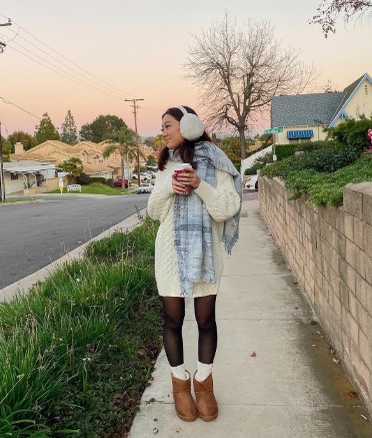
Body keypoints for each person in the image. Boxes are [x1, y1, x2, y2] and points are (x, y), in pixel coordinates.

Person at [146, 105, 242, 422]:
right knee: (173, 320)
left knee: (205, 320)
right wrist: (169, 189)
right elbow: (153, 212)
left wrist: (200, 185)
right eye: (162, 126)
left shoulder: (216, 162)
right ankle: (180, 385)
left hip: (206, 255)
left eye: (168, 125)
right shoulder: (166, 165)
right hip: (170, 255)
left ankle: (203, 383)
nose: (163, 132)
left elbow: (226, 208)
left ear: (188, 126)